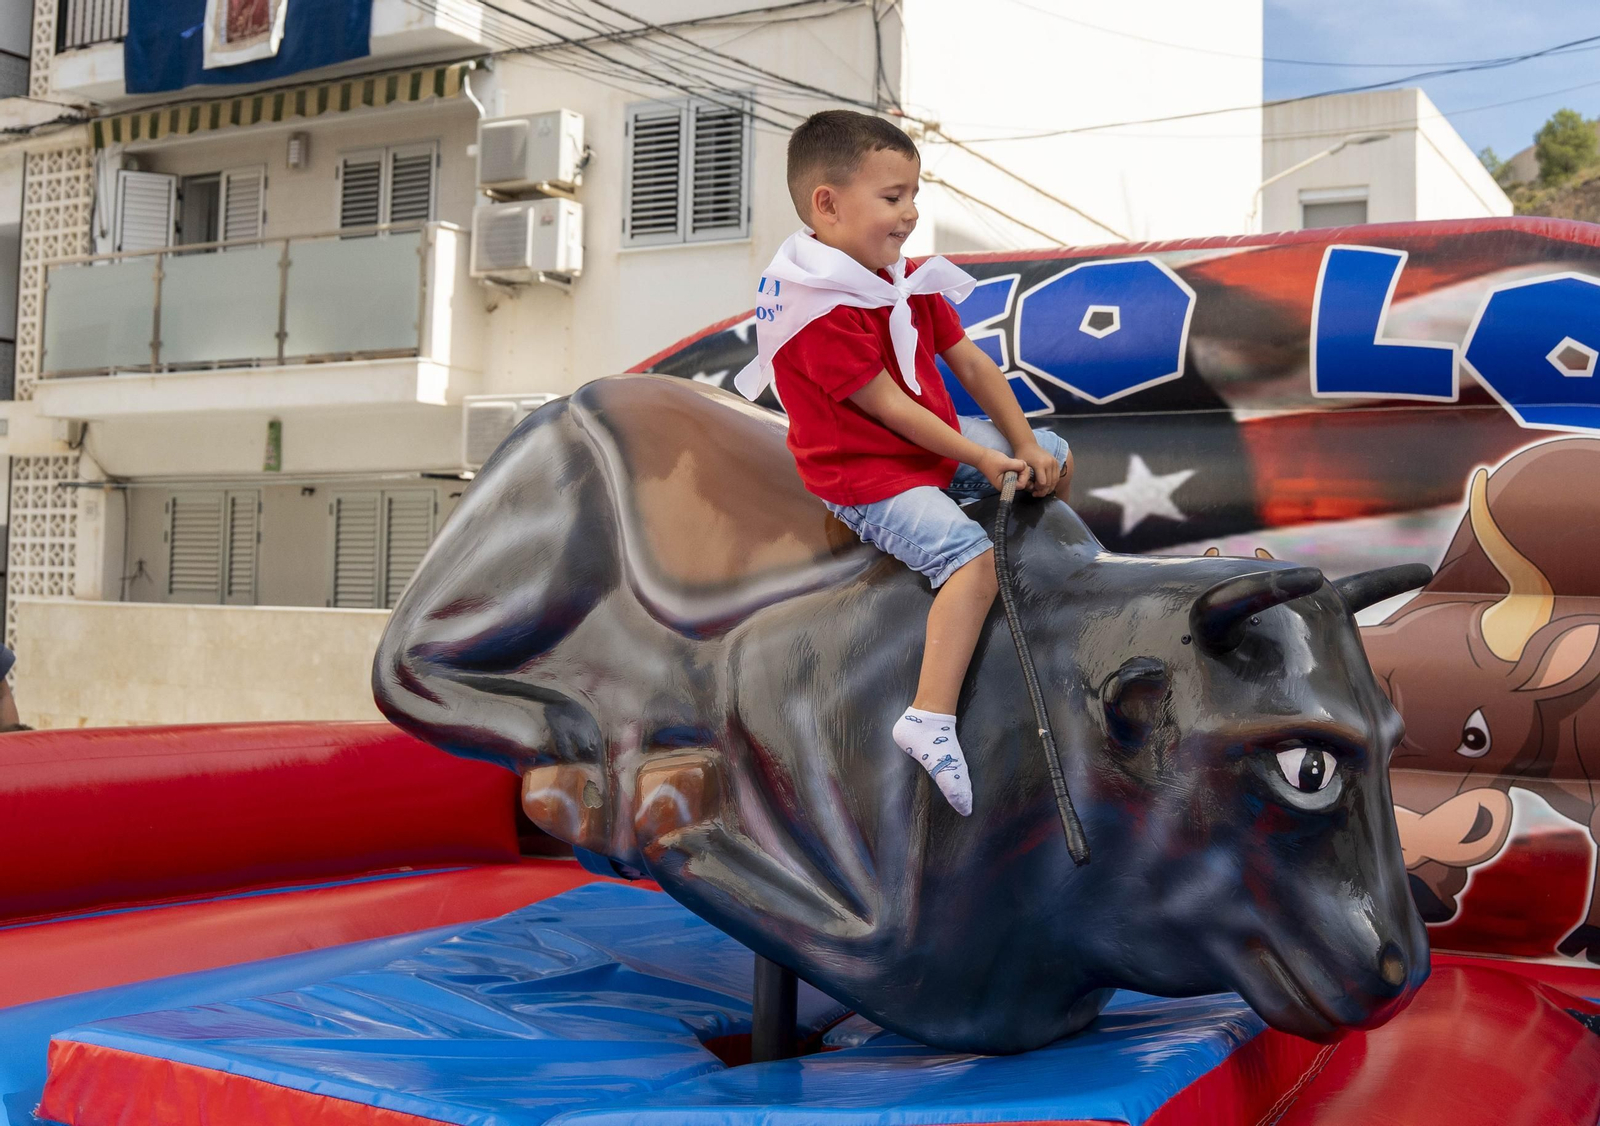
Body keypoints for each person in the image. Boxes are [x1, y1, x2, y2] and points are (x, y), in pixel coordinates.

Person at [733, 110, 1074, 816]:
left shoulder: (901, 278)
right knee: (968, 559)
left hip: (928, 449)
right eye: (893, 197)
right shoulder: (816, 309)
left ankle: (1035, 591)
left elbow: (971, 363)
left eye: (914, 195)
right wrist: (984, 456)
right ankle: (929, 717)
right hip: (868, 475)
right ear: (827, 205)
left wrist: (1024, 444)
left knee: (1056, 455)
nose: (911, 213)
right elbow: (889, 408)